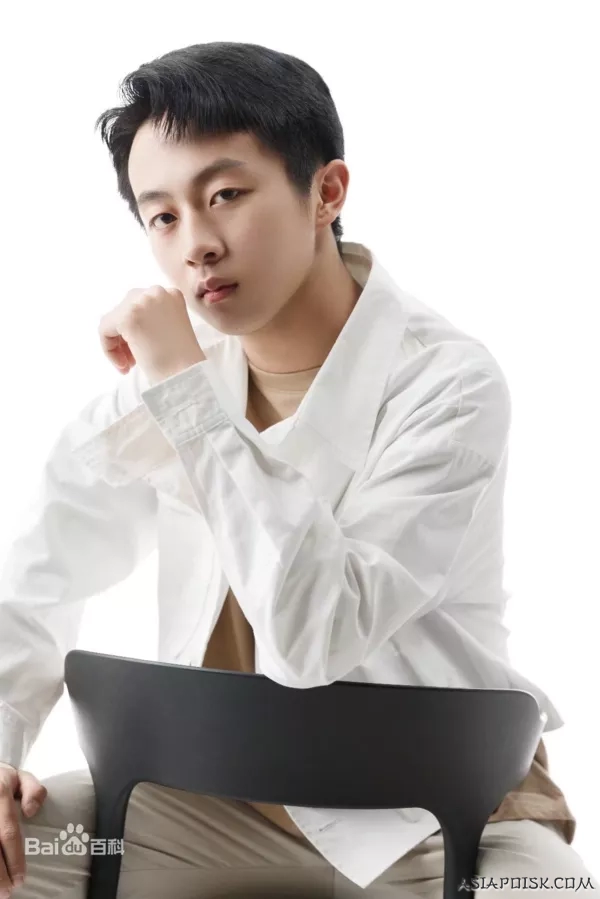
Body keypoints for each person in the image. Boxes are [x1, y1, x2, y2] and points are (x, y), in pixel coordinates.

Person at [0, 41, 597, 899]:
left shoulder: (449, 385)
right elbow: (40, 568)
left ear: (327, 192)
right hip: (205, 807)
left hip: (442, 818)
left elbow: (319, 631)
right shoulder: (173, 376)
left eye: (225, 196)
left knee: (552, 897)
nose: (196, 246)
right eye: (162, 216)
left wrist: (186, 396)